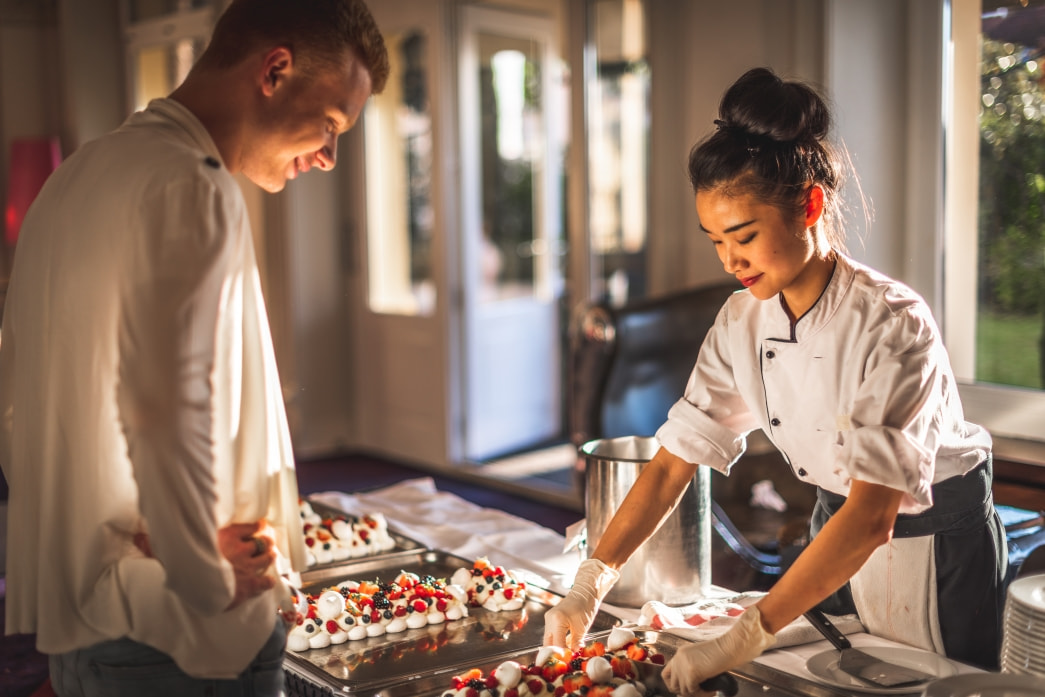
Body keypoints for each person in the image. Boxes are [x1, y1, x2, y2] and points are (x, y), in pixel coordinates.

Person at [544, 67, 1007, 692]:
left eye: (744, 236)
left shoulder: (893, 323)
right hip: (830, 537)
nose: (730, 260)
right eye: (715, 241)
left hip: (931, 548)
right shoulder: (742, 318)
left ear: (809, 205)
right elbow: (672, 461)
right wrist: (591, 580)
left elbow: (874, 516)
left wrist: (745, 634)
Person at [0, 1, 388, 695]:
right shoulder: (189, 182)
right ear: (275, 69)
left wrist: (95, 526)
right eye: (331, 125)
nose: (329, 158)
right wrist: (202, 577)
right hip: (182, 630)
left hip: (96, 609)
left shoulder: (75, 177)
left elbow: (19, 400)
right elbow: (162, 410)